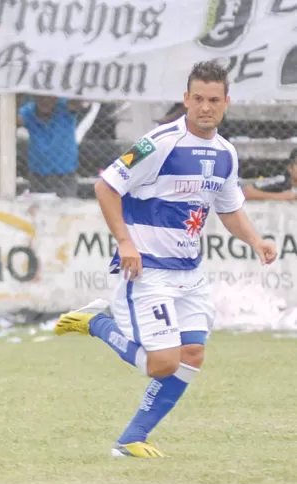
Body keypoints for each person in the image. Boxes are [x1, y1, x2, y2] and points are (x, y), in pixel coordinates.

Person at [54, 61, 277, 458]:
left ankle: (130, 440)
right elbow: (106, 188)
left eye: (213, 100)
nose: (205, 107)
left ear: (226, 103)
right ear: (186, 99)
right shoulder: (158, 143)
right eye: (198, 99)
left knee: (192, 354)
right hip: (147, 270)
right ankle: (97, 323)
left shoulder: (226, 153)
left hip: (189, 273)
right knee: (162, 363)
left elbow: (229, 208)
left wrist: (256, 240)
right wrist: (125, 242)